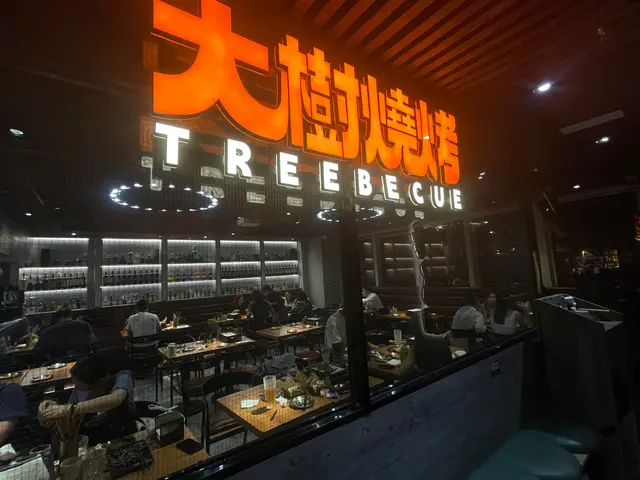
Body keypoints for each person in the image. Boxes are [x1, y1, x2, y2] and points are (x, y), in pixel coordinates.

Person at [38, 351, 136, 445]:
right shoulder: (80, 387)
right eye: (77, 387)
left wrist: (70, 409)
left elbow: (116, 399)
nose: (81, 392)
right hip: (89, 441)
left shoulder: (122, 376)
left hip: (121, 435)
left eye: (87, 389)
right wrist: (48, 411)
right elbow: (69, 416)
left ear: (103, 380)